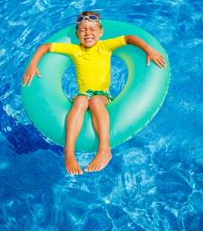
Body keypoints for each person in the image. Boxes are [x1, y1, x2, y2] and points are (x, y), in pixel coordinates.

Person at [22, 11, 166, 175]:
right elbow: (46, 47)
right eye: (83, 30)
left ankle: (104, 150)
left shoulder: (106, 46)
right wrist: (33, 64)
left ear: (101, 32)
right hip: (83, 95)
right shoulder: (74, 50)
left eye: (92, 29)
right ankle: (69, 153)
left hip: (102, 95)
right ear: (77, 34)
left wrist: (148, 49)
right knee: (81, 101)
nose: (88, 33)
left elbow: (129, 38)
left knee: (96, 100)